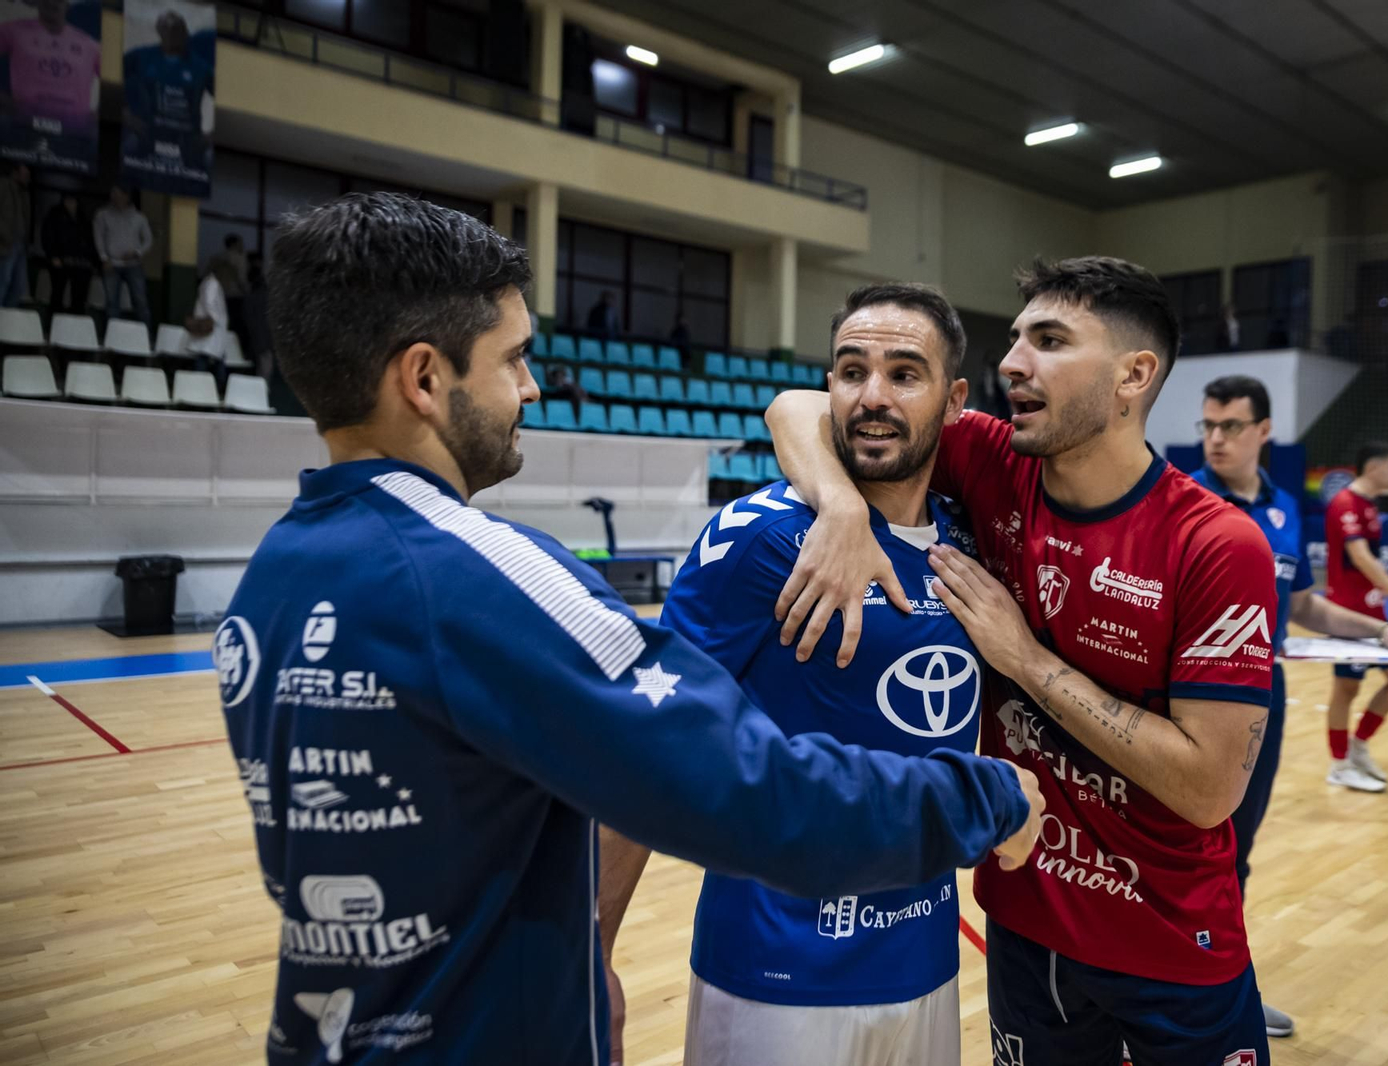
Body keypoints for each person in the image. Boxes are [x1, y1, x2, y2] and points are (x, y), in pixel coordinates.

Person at [222, 193, 1042, 1066]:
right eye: (514, 359)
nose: (532, 386)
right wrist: (984, 798)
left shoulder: (275, 575)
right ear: (424, 379)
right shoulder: (490, 577)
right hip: (513, 1030)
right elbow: (735, 785)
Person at [769, 256, 1279, 1065]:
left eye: (1048, 340)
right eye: (1015, 339)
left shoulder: (1215, 543)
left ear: (1132, 376)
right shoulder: (992, 461)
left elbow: (1210, 789)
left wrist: (1027, 660)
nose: (1011, 363)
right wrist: (839, 506)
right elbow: (797, 404)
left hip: (1171, 944)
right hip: (1025, 926)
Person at [602, 283, 984, 1066]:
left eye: (905, 374)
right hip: (776, 975)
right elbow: (644, 742)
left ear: (955, 401)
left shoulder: (972, 538)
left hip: (927, 967)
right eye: (851, 371)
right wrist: (592, 947)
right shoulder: (762, 538)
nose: (872, 397)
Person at [1190, 375, 1388, 1037]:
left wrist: (1379, 630)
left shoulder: (1286, 508)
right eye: (1210, 425)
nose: (1216, 438)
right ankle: (1156, 993)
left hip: (1264, 697)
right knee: (1184, 851)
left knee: (1236, 853)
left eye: (1231, 425)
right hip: (1189, 702)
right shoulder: (1177, 499)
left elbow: (1300, 606)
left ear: (1264, 432)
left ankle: (1226, 987)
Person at [1322, 442, 1388, 793]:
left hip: (1373, 612)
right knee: (1346, 688)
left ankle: (1359, 744)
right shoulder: (1345, 503)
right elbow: (1362, 558)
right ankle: (1339, 765)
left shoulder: (1369, 504)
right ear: (1373, 467)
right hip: (1347, 617)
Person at [121, 9, 214, 173]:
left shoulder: (201, 68)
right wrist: (127, 116)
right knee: (125, 148)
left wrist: (208, 138)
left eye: (178, 29)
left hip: (187, 143)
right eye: (168, 29)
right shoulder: (141, 56)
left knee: (209, 160)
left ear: (185, 32)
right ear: (160, 32)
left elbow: (223, 97)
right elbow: (110, 75)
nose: (173, 34)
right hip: (146, 136)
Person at [0, 0, 101, 147]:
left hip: (73, 134)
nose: (52, 2)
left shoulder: (89, 45)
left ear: (67, 4)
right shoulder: (12, 30)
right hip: (21, 126)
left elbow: (115, 84)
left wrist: (98, 116)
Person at [94, 185, 153, 324]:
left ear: (127, 196)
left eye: (119, 194)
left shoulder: (139, 217)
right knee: (111, 301)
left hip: (134, 264)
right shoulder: (102, 215)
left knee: (140, 299)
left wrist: (137, 252)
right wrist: (104, 258)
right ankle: (112, 335)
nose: (115, 197)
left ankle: (145, 335)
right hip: (111, 263)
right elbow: (98, 237)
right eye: (113, 194)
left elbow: (148, 240)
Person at [42, 194, 95, 314]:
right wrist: (53, 256)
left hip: (79, 262)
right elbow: (48, 236)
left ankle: (75, 323)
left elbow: (89, 239)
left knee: (79, 297)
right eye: (68, 200)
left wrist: (89, 260)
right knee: (57, 294)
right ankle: (53, 324)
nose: (70, 203)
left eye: (73, 201)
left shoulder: (82, 217)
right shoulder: (55, 214)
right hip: (60, 260)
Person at [205, 234, 250, 343]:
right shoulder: (238, 258)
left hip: (219, 296)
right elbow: (240, 278)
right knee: (237, 325)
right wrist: (246, 291)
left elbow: (207, 274)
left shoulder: (216, 258)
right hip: (235, 295)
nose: (242, 245)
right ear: (234, 244)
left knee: (223, 324)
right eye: (240, 243)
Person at [183, 266, 228, 368]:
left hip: (212, 332)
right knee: (206, 358)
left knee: (208, 357)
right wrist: (216, 319)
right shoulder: (213, 283)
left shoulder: (207, 282)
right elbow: (209, 302)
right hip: (211, 328)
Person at [0, 163, 30, 307]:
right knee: (3, 282)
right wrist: (4, 235)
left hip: (20, 245)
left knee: (19, 286)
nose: (26, 177)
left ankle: (6, 318)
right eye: (24, 174)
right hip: (5, 244)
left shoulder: (23, 193)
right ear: (15, 173)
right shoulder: (3, 186)